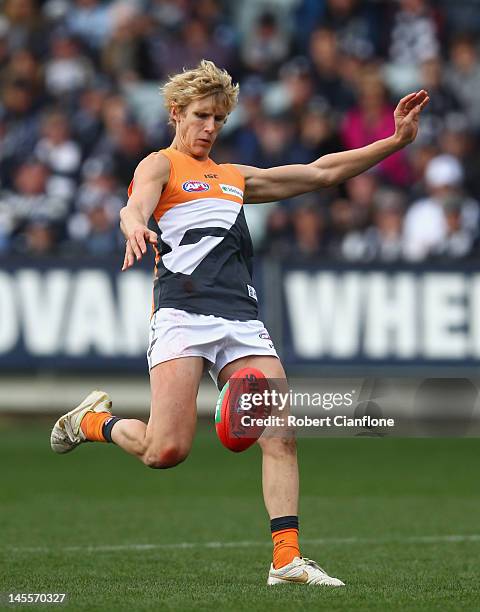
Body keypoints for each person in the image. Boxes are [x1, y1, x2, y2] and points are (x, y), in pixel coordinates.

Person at [50, 60, 428, 586]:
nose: (210, 127)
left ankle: (287, 559)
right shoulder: (160, 164)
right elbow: (133, 207)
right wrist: (135, 225)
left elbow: (321, 172)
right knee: (166, 451)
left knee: (282, 431)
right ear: (176, 113)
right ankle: (93, 422)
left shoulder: (234, 178)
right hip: (182, 312)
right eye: (202, 116)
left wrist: (394, 142)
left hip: (241, 318)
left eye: (219, 120)